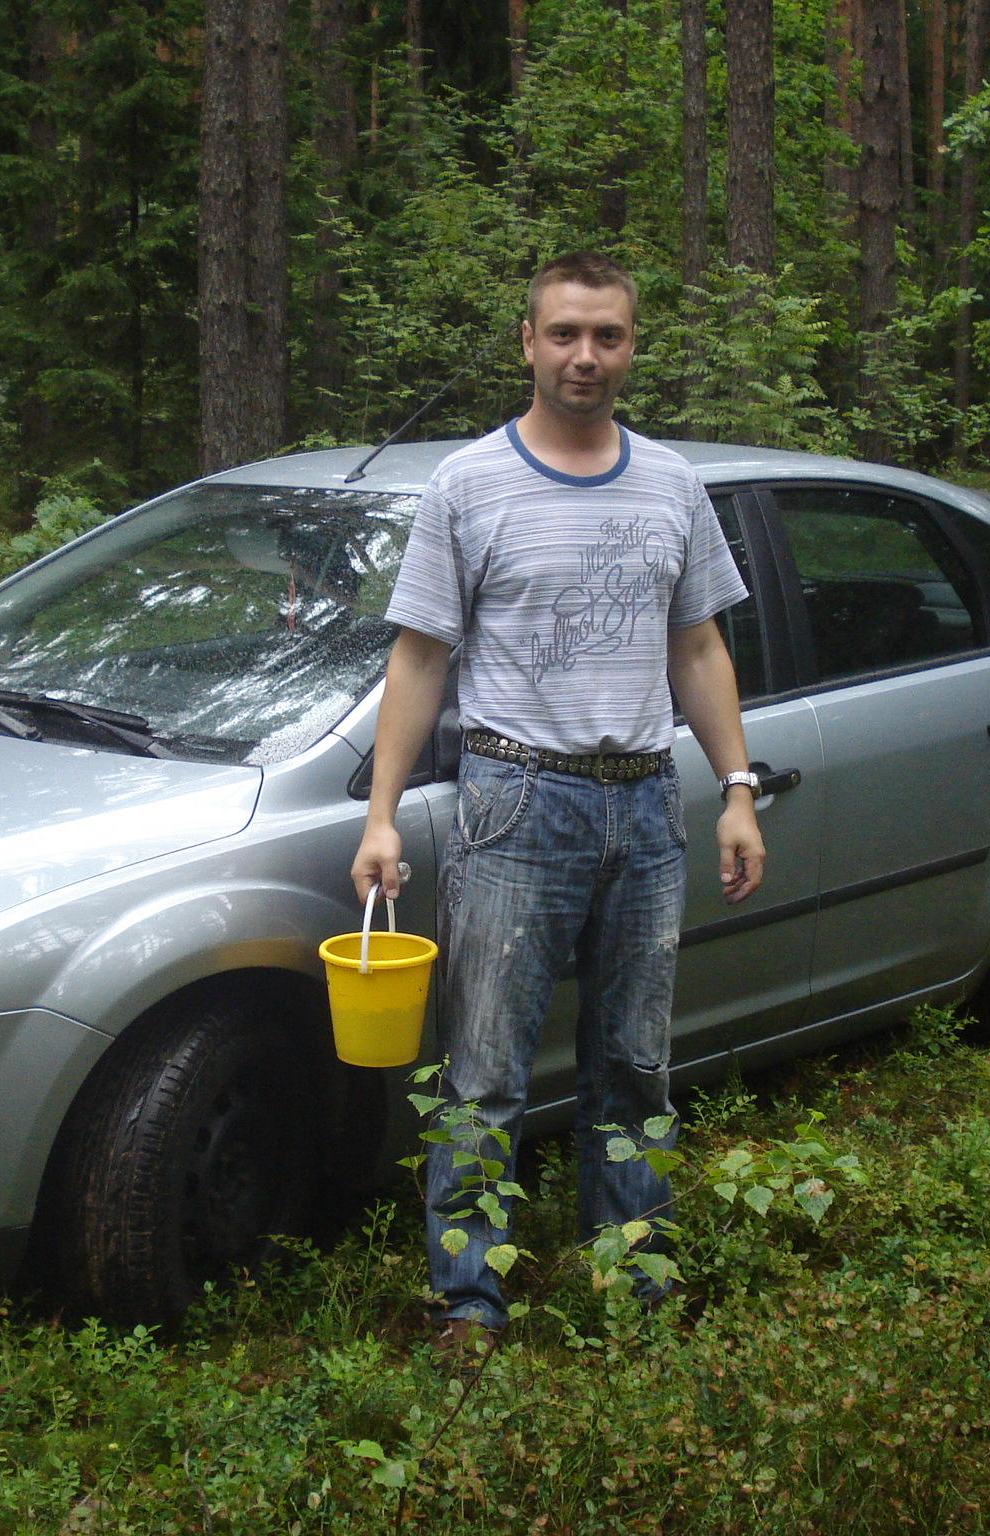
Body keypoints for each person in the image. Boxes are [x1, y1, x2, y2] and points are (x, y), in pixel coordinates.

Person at [348, 251, 765, 1353]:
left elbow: (697, 646)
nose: (586, 356)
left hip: (645, 808)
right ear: (527, 343)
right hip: (513, 804)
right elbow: (419, 657)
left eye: (607, 336)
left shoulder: (671, 484)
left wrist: (736, 788)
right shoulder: (467, 486)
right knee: (484, 1073)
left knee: (634, 1067)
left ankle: (630, 1284)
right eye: (565, 334)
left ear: (631, 347)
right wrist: (381, 814)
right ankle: (468, 1302)